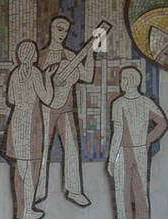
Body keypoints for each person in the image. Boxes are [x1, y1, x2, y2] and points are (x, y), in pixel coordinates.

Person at [107, 66, 167, 219]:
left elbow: (117, 133)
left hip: (124, 152)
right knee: (141, 197)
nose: (122, 82)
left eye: (124, 79)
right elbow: (162, 123)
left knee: (122, 195)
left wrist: (111, 158)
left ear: (132, 81)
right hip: (141, 152)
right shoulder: (146, 102)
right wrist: (148, 139)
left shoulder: (119, 103)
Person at [37, 16, 93, 208]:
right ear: (51, 29)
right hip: (46, 108)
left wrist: (90, 54)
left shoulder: (71, 56)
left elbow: (87, 76)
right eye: (59, 29)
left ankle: (74, 190)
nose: (62, 33)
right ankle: (37, 191)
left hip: (66, 109)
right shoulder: (41, 55)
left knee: (71, 148)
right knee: (42, 148)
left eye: (65, 30)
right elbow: (35, 82)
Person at [1, 40, 55, 219]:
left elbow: (11, 98)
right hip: (32, 123)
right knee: (32, 168)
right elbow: (47, 98)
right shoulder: (35, 73)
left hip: (17, 121)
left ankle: (21, 210)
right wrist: (48, 78)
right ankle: (28, 210)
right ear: (33, 56)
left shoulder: (15, 74)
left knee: (20, 170)